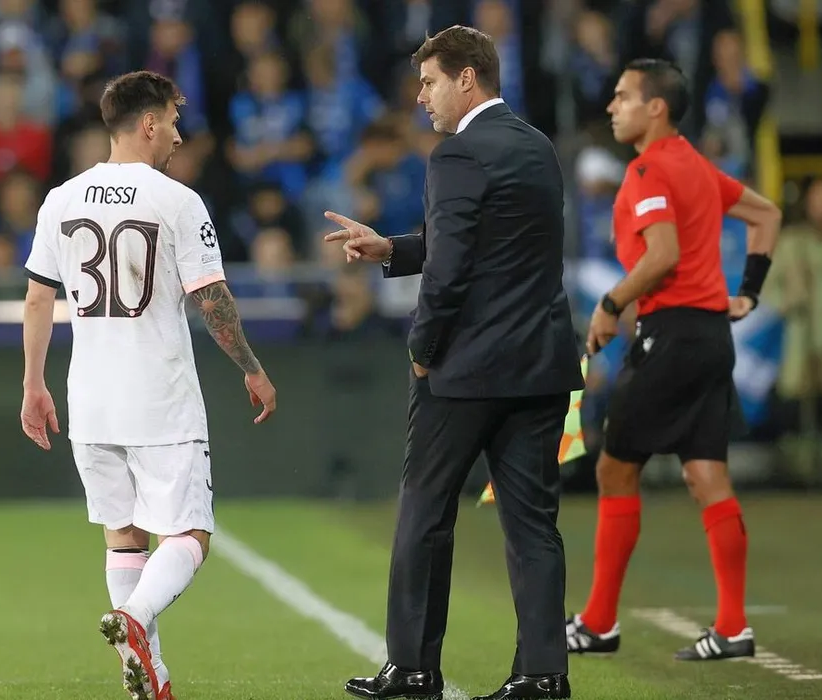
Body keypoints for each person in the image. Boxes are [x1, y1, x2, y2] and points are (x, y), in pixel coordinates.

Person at [325, 25, 584, 700]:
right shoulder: (537, 146)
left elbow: (450, 270)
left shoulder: (457, 154)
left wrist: (422, 349)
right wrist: (392, 249)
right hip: (541, 363)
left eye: (430, 82)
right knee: (533, 524)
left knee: (424, 512)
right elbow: (492, 244)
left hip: (467, 368)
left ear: (467, 78)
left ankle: (413, 668)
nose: (421, 97)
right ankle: (543, 674)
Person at [19, 70, 278, 700]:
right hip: (159, 396)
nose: (179, 136)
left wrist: (32, 384)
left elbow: (38, 299)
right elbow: (211, 299)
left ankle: (148, 677)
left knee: (123, 536)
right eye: (174, 122)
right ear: (149, 123)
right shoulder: (177, 201)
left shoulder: (60, 199)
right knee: (190, 535)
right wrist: (250, 366)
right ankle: (135, 618)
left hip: (90, 399)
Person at [566, 58, 781, 661]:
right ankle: (733, 627)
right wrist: (749, 291)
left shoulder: (649, 169)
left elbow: (662, 255)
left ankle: (598, 623)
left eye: (623, 96)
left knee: (615, 469)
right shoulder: (695, 165)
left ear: (655, 108)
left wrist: (611, 303)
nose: (612, 106)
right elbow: (767, 215)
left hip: (671, 338)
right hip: (712, 338)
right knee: (706, 475)